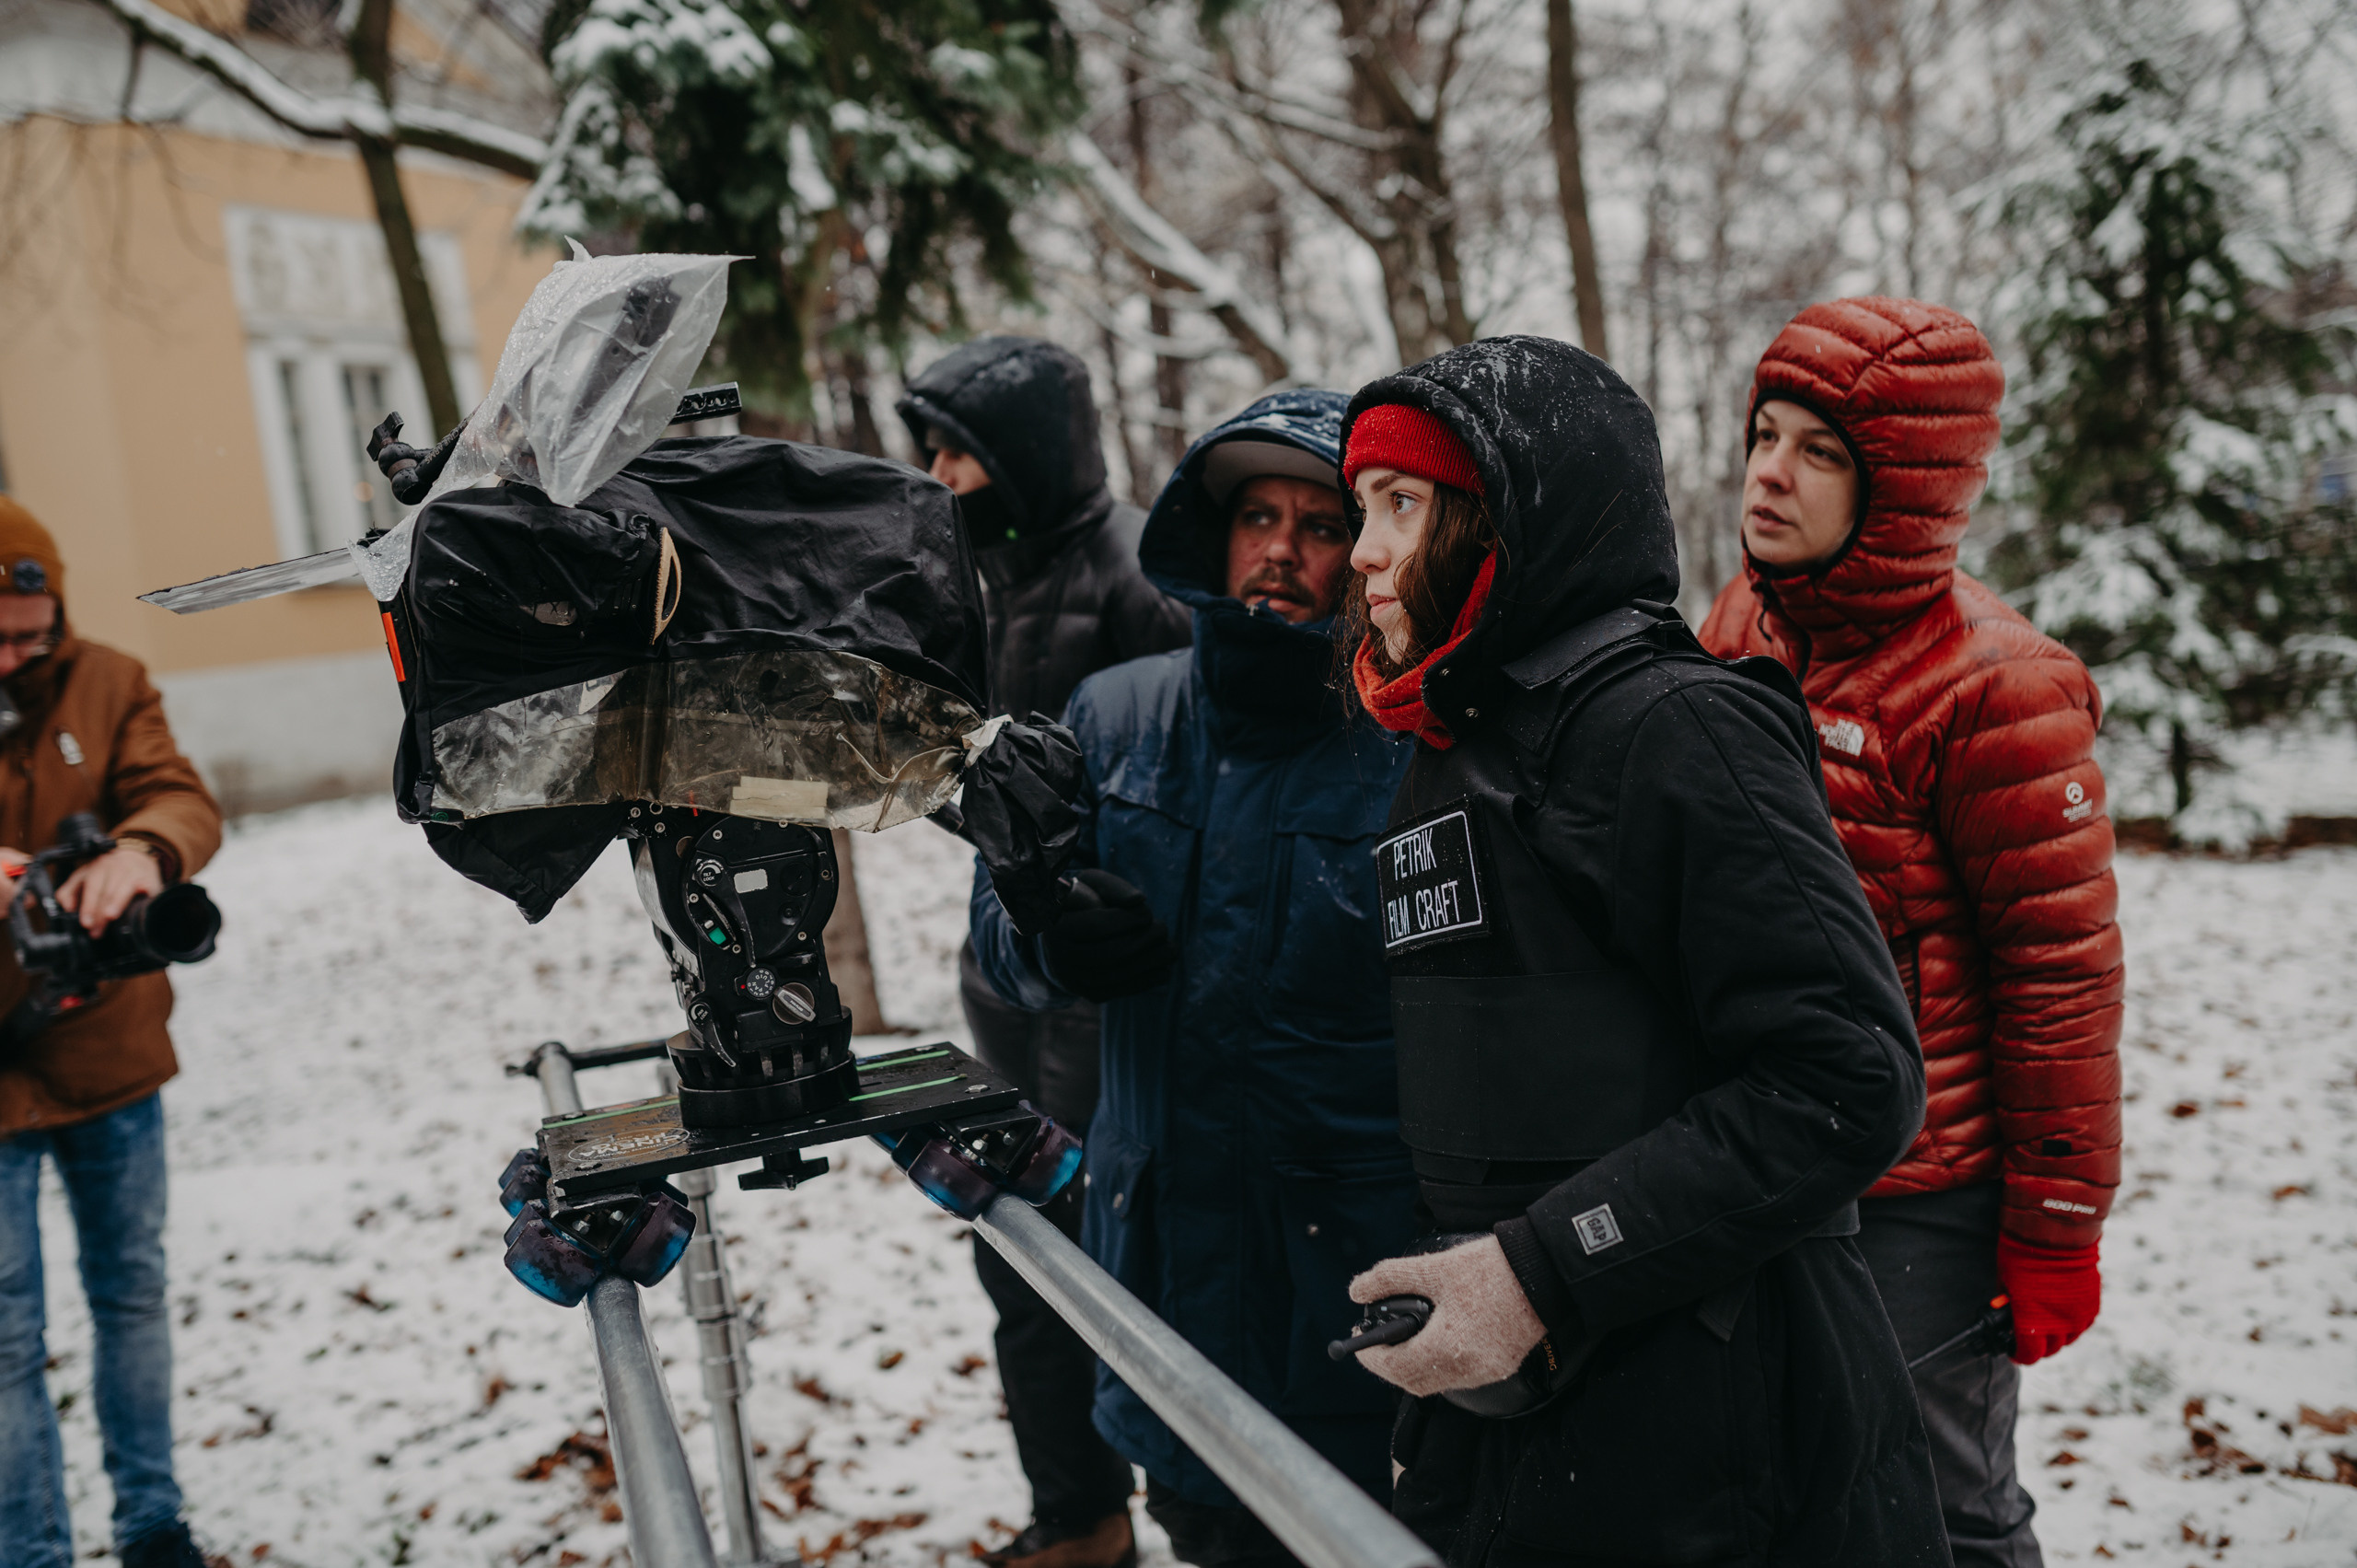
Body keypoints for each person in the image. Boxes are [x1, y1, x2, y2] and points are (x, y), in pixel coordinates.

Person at [1332, 339, 1950, 1566]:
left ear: (1512, 514)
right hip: (1526, 1413)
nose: (1363, 553)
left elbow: (1846, 1080)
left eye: (1401, 504)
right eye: (1364, 509)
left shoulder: (1674, 724)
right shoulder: (1457, 746)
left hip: (1723, 1429)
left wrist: (1542, 1269)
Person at [1697, 297, 2123, 1568]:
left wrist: (2053, 1220)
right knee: (1782, 1484)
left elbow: (2062, 978)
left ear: (1908, 487)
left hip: (1926, 1195)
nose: (1770, 471)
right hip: (1761, 1151)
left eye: (1821, 451)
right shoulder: (1744, 626)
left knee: (1941, 1506)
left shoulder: (2001, 687)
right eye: (1766, 433)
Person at [970, 389, 1415, 1568]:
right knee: (1204, 1529)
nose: (1279, 546)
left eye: (1321, 523)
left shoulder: (1412, 745)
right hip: (1156, 1267)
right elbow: (999, 946)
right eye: (1257, 514)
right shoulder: (1114, 714)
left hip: (1346, 1296)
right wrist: (1050, 927)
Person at [897, 337, 1192, 1568]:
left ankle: (1188, 1498)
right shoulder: (956, 577)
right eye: (931, 447)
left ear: (1020, 454)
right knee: (1011, 1239)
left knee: (1104, 1244)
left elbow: (1185, 781)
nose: (938, 470)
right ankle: (1078, 1511)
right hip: (1006, 971)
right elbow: (944, 760)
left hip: (1114, 982)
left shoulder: (1140, 575)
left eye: (959, 448)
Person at [0, 498, 225, 1568]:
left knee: (130, 1287)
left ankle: (153, 1523)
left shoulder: (111, 678)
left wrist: (142, 851)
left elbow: (177, 794)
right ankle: (29, 1549)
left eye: (27, 631)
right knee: (3, 1337)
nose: (13, 652)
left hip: (110, 1048)